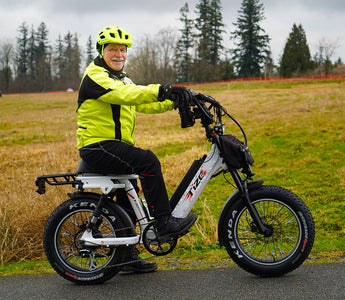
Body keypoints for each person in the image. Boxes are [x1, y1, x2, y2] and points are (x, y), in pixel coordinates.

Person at [77, 26, 197, 273]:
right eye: (112, 49)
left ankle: (125, 258)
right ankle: (163, 222)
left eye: (123, 50)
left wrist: (174, 100)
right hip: (98, 147)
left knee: (127, 197)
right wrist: (162, 89)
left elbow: (143, 103)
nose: (119, 54)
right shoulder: (96, 76)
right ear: (102, 51)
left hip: (113, 147)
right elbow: (128, 94)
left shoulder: (121, 77)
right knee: (148, 161)